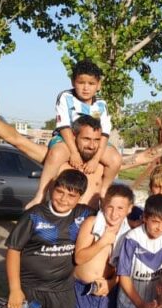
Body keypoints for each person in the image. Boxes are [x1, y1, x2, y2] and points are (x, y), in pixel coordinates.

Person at [0, 81, 162, 205]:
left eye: (95, 140)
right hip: (59, 229)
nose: (91, 145)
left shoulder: (103, 164)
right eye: (86, 139)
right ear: (73, 137)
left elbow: (144, 156)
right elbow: (14, 138)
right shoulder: (56, 158)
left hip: (92, 227)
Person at [4, 169, 93, 308]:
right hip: (30, 292)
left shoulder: (85, 215)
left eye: (71, 195)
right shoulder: (34, 215)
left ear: (80, 197)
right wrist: (15, 290)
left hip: (62, 293)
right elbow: (13, 250)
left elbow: (114, 217)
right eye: (59, 191)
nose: (63, 199)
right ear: (52, 189)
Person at [26, 60, 122, 209]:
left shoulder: (101, 104)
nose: (85, 88)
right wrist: (74, 152)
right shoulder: (65, 97)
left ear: (98, 85)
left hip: (93, 141)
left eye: (91, 83)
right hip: (67, 138)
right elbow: (64, 126)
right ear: (73, 82)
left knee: (115, 159)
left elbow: (104, 133)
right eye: (81, 82)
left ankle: (103, 192)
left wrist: (96, 159)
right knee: (56, 154)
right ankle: (40, 195)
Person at [73, 184, 135, 308]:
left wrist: (111, 283)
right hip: (83, 290)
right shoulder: (92, 222)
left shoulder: (129, 233)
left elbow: (124, 269)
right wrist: (102, 242)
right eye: (110, 207)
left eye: (120, 208)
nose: (114, 213)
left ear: (130, 209)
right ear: (102, 204)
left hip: (108, 291)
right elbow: (79, 258)